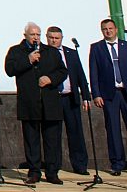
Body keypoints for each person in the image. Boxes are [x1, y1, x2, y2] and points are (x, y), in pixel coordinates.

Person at [5, 22, 67, 185]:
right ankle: (34, 172)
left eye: (38, 34)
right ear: (25, 35)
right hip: (29, 102)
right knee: (31, 139)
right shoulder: (16, 51)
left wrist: (50, 79)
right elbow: (10, 70)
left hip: (50, 102)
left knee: (52, 139)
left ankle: (52, 172)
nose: (36, 37)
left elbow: (63, 71)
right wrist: (28, 59)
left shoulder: (51, 52)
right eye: (32, 34)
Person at [88, 17, 127, 176]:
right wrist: (96, 94)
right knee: (113, 129)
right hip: (109, 95)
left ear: (116, 30)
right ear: (101, 31)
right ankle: (117, 164)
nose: (108, 31)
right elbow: (94, 73)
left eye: (110, 28)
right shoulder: (97, 48)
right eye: (105, 29)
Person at [46, 26, 91, 175]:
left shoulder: (71, 53)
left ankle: (80, 165)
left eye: (56, 38)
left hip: (70, 98)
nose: (53, 40)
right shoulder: (43, 53)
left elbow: (80, 75)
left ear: (61, 38)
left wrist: (86, 96)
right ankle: (54, 166)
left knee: (76, 132)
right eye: (51, 37)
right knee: (54, 134)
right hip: (53, 99)